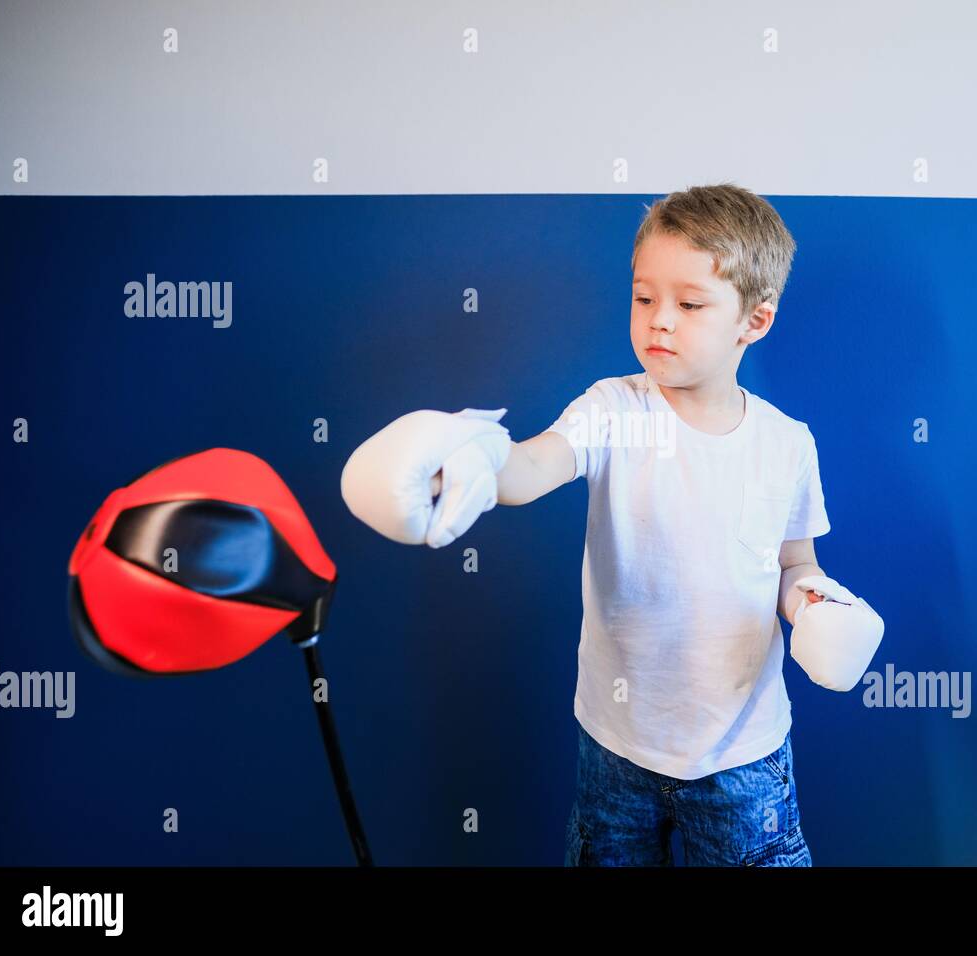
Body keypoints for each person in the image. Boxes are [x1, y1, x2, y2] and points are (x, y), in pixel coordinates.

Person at [341, 183, 884, 866]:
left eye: (689, 304)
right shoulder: (614, 410)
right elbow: (531, 466)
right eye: (643, 297)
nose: (660, 320)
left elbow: (792, 561)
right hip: (617, 746)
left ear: (755, 321)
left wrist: (811, 604)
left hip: (744, 750)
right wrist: (471, 455)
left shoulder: (786, 444)